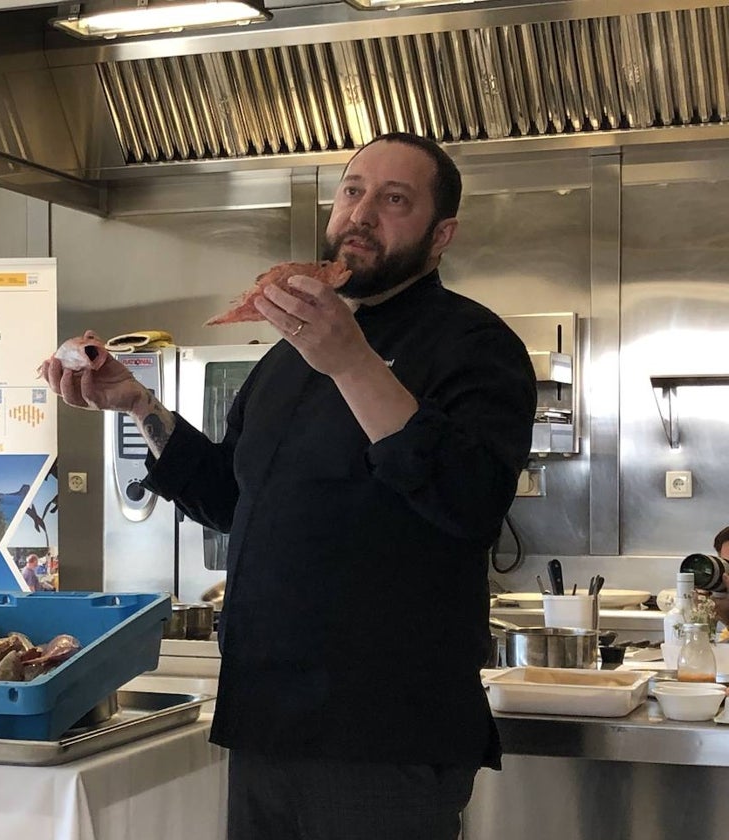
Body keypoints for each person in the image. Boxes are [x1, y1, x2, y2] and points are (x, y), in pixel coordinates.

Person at [40, 132, 537, 840]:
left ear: (440, 234)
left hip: (384, 733)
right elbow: (232, 501)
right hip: (264, 715)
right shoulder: (287, 356)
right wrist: (139, 405)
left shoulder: (476, 345)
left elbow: (471, 502)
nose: (362, 214)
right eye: (353, 190)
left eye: (395, 200)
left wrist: (352, 363)